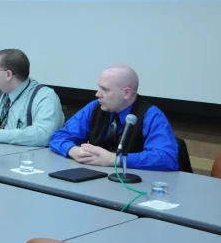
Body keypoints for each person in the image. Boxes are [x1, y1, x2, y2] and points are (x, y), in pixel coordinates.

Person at [49, 65, 179, 171]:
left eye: (105, 89)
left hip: (137, 185)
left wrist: (114, 160)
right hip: (96, 181)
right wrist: (74, 150)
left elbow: (166, 158)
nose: (97, 94)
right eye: (99, 87)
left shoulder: (151, 115)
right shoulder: (94, 108)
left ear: (126, 93)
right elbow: (58, 137)